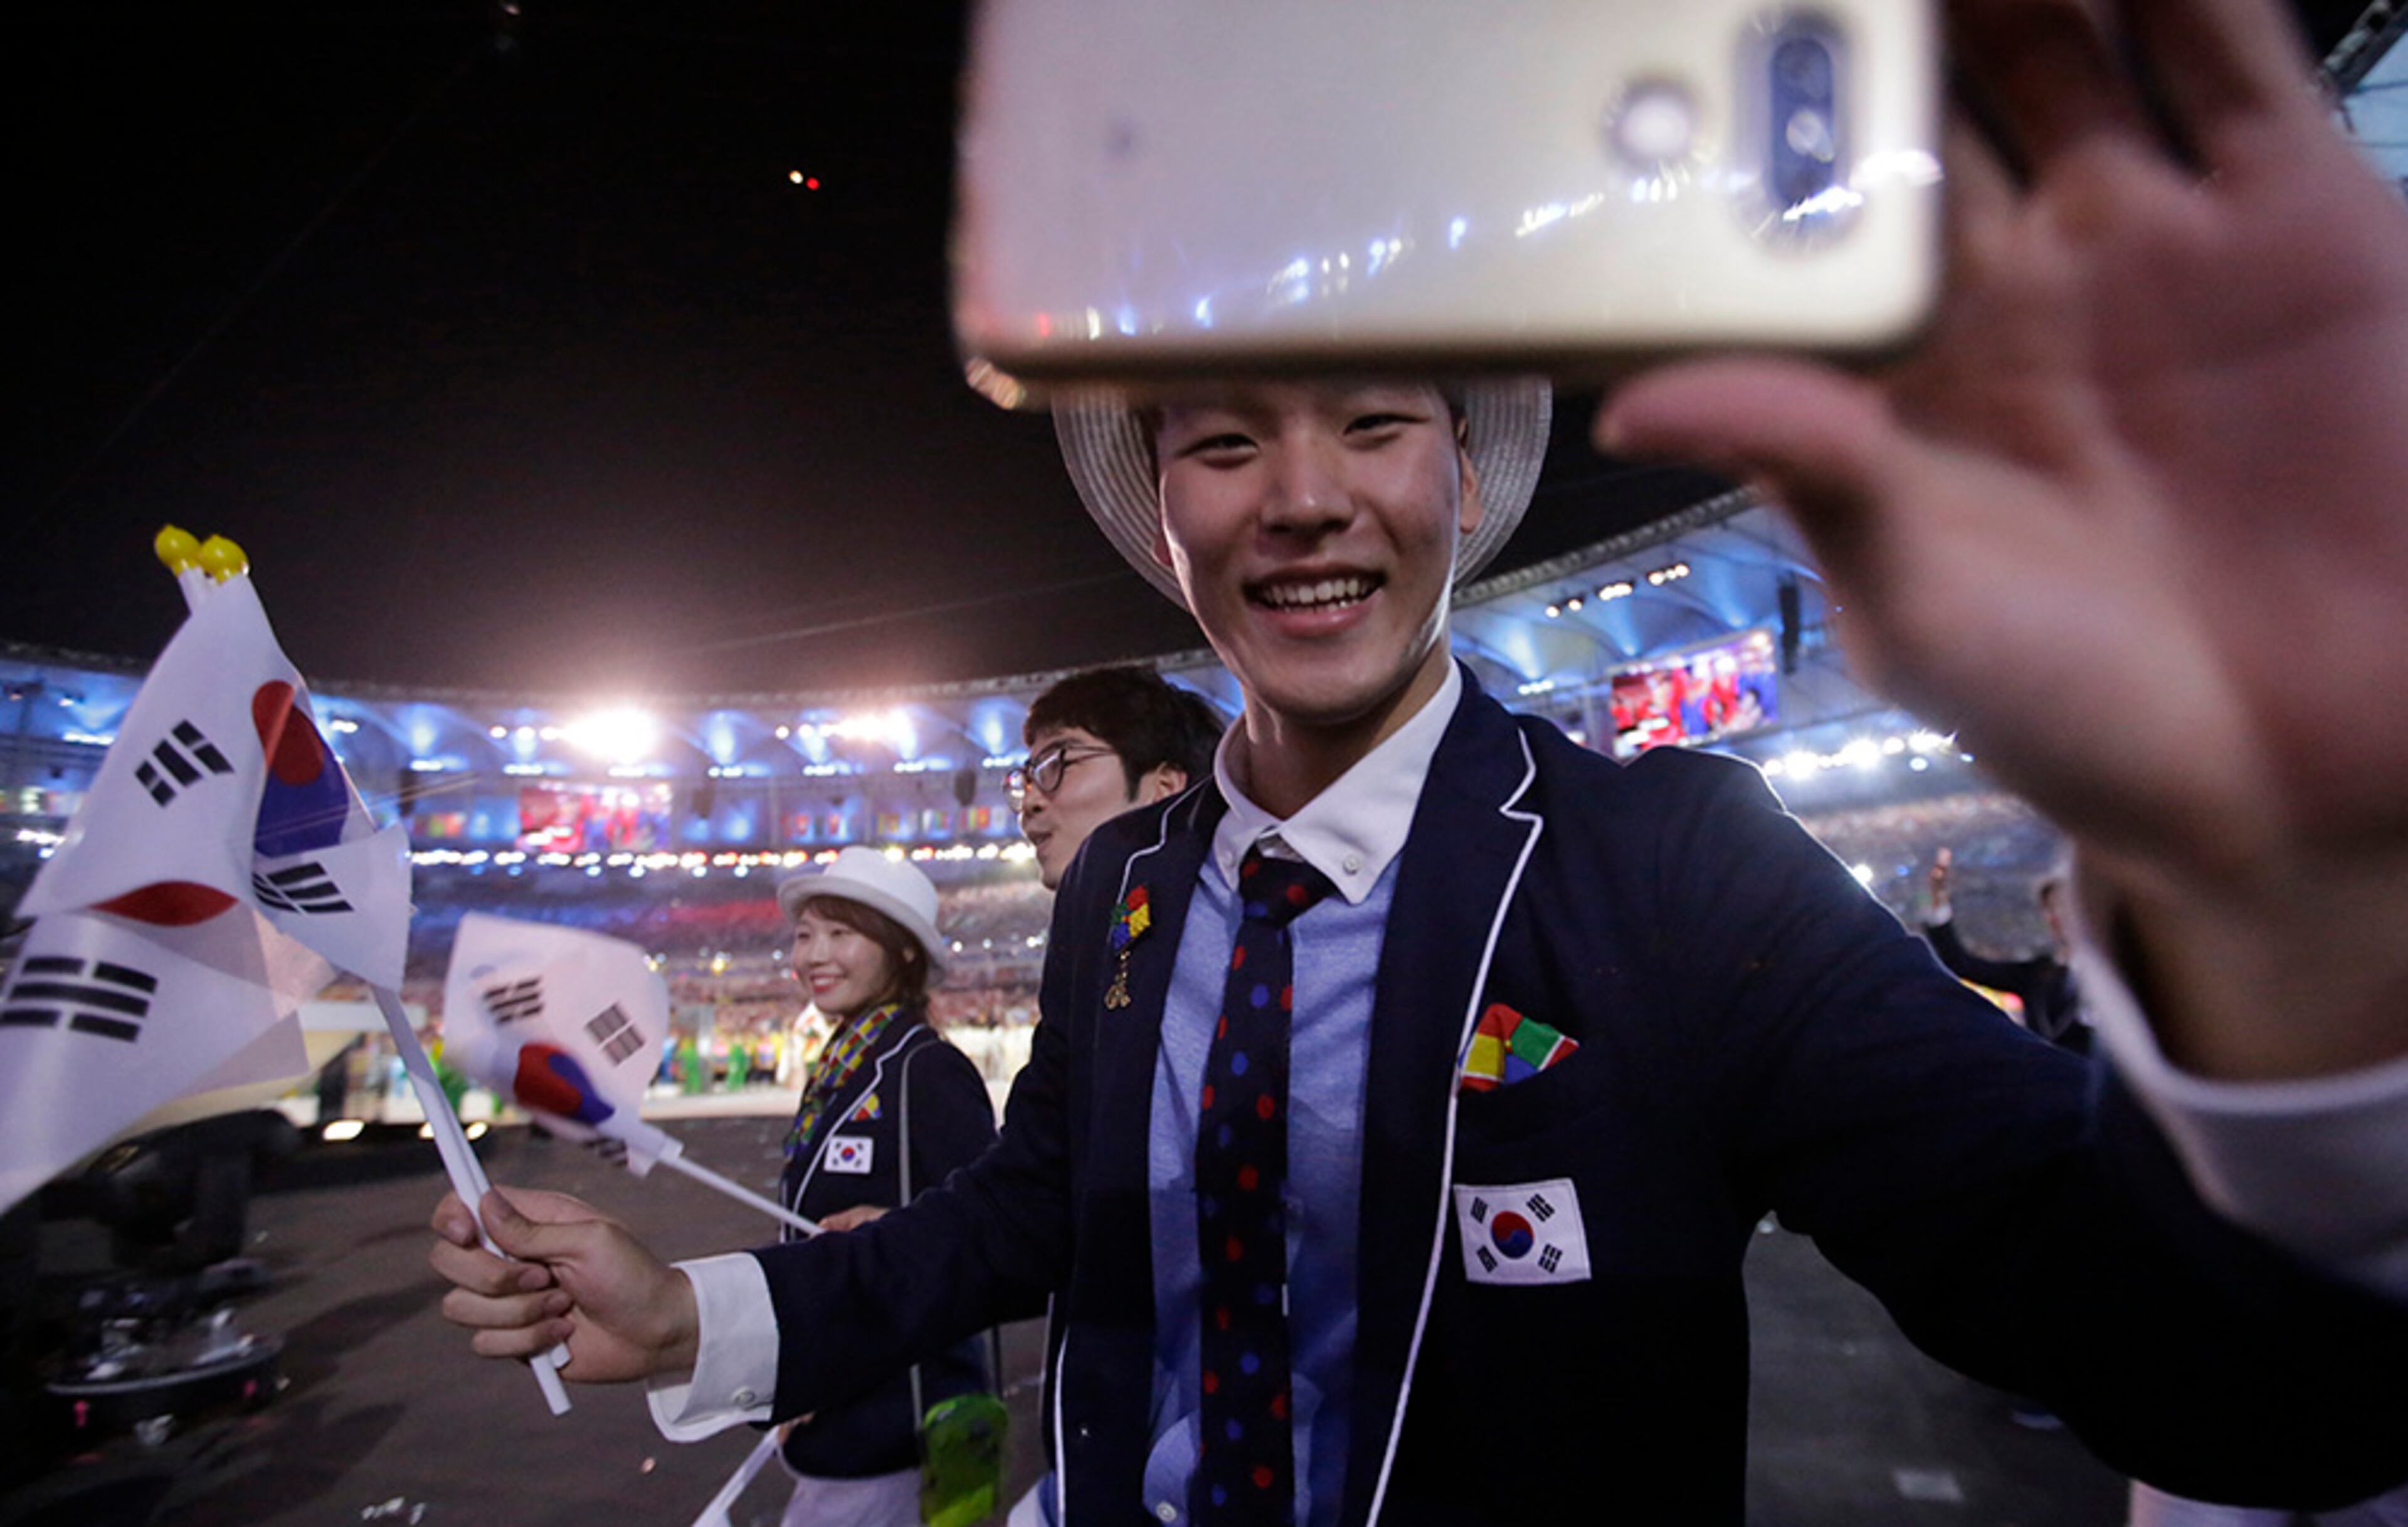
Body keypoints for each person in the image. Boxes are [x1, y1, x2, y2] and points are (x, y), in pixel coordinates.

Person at [429, 1, 2408, 1522]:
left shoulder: (1672, 858)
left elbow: (2229, 1372)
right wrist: (705, 1315)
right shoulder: (1127, 892)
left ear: (1461, 475)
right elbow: (1028, 1213)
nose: (1301, 497)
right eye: (1219, 441)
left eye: (1374, 418)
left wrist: (2303, 917)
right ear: (1163, 527)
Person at [775, 847, 1000, 1524]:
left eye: (841, 933)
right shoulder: (845, 1064)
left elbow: (994, 1237)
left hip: (899, 1431)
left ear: (902, 951)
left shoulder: (926, 1070)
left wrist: (899, 1231)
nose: (816, 953)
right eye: (805, 933)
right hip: (838, 1418)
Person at [1013, 666, 1225, 890]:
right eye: (1028, 780)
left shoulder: (1226, 921)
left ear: (1165, 787)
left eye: (1058, 765)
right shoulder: (1086, 920)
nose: (1029, 803)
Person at [1922, 846, 2089, 1054]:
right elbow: (1961, 963)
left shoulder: (2117, 971)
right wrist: (1939, 901)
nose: (2055, 916)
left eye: (2062, 906)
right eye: (2049, 908)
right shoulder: (2038, 973)